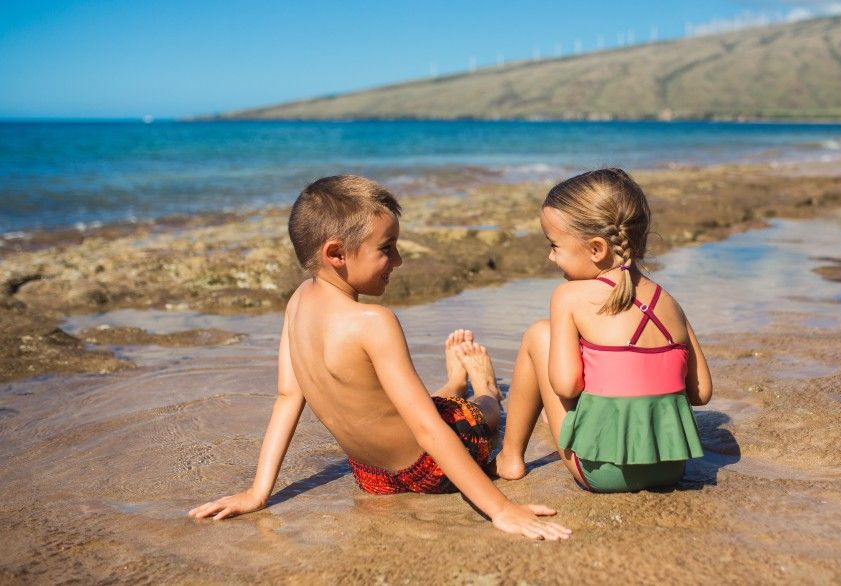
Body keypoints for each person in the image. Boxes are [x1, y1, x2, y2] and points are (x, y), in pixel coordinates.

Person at [188, 175, 570, 540]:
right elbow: (427, 430)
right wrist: (500, 509)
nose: (399, 260)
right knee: (476, 414)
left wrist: (258, 491)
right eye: (387, 249)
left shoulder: (297, 302)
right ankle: (483, 385)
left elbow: (288, 398)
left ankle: (453, 382)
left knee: (425, 405)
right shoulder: (374, 322)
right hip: (431, 470)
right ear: (336, 253)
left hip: (371, 477)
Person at [495, 168, 712, 493]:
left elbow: (566, 385)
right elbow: (701, 393)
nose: (550, 256)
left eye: (554, 245)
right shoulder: (669, 301)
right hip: (669, 468)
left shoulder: (568, 296)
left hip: (600, 471)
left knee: (539, 334)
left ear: (597, 249)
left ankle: (510, 458)